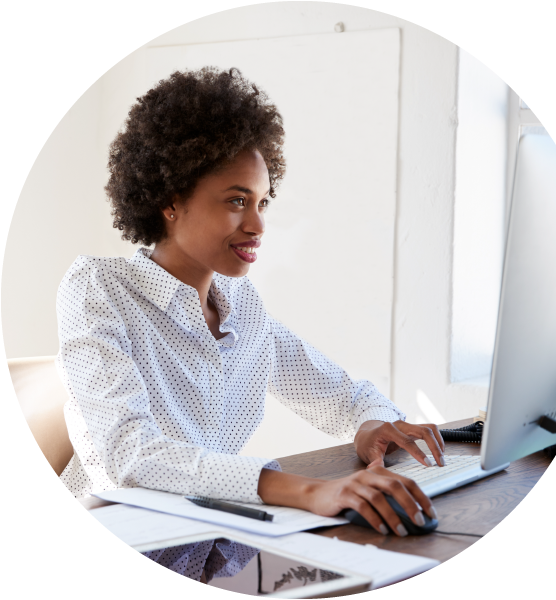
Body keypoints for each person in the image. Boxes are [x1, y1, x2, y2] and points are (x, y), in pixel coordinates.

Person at [56, 68, 446, 559]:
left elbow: (343, 397)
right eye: (237, 201)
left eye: (263, 202)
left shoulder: (241, 307)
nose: (258, 225)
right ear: (169, 200)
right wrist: (309, 491)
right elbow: (130, 458)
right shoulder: (98, 288)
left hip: (209, 543)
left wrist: (372, 426)